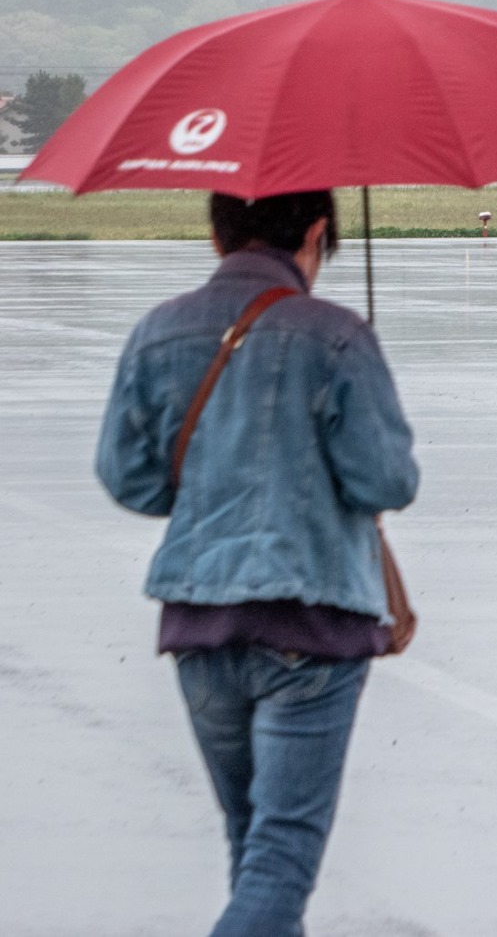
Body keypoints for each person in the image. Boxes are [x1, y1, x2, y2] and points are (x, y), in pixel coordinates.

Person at [96, 190, 419, 937]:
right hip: (312, 621)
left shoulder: (157, 330)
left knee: (253, 851)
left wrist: (210, 482)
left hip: (198, 623)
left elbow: (128, 476)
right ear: (316, 231)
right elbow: (387, 482)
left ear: (218, 234)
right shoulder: (336, 334)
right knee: (279, 863)